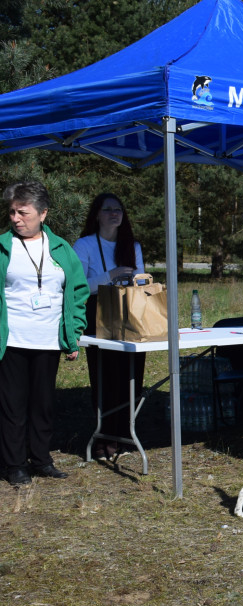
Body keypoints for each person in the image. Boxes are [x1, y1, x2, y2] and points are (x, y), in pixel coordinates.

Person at [1, 180, 89, 485]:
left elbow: (78, 292)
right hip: (11, 340)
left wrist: (73, 334)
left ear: (43, 214)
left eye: (22, 212)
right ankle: (14, 465)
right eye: (12, 212)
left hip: (49, 340)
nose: (15, 218)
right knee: (13, 405)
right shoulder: (3, 247)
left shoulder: (61, 249)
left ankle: (41, 459)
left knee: (43, 403)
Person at [73, 193, 146, 460]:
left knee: (131, 375)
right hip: (98, 317)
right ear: (96, 214)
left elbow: (142, 282)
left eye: (119, 209)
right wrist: (110, 276)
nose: (114, 213)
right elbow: (78, 286)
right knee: (105, 376)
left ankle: (126, 434)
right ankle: (105, 437)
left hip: (131, 316)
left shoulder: (132, 245)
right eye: (108, 210)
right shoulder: (84, 245)